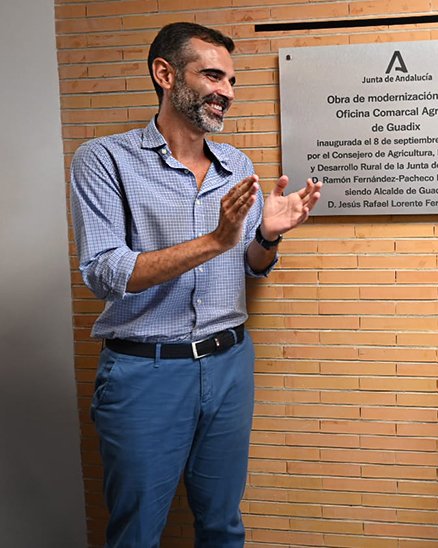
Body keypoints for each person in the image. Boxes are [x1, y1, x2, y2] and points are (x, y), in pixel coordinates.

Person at [70, 22, 322, 546]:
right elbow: (105, 273)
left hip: (229, 365)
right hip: (145, 372)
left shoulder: (238, 167)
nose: (226, 92)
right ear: (165, 74)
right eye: (212, 75)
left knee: (223, 525)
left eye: (231, 80)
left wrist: (268, 238)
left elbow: (249, 268)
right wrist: (215, 239)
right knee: (136, 532)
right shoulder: (104, 160)